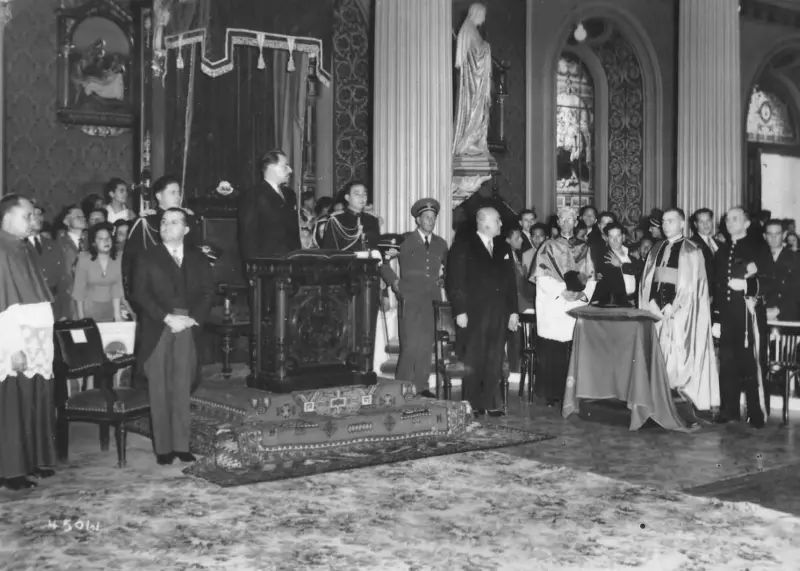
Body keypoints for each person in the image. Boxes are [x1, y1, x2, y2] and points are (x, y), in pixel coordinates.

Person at [131, 208, 214, 465]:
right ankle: (164, 449)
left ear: (186, 229)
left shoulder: (198, 258)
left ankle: (181, 446)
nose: (167, 226)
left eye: (174, 222)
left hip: (187, 326)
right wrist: (167, 318)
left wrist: (193, 319)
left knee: (182, 385)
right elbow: (139, 293)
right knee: (159, 387)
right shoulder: (147, 256)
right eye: (164, 222)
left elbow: (208, 292)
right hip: (159, 326)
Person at [0, 195, 57, 490]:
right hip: (17, 340)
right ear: (8, 217)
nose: (32, 220)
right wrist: (13, 348)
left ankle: (31, 461)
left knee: (33, 401)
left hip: (36, 340)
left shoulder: (23, 247)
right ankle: (12, 471)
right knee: (14, 404)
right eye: (26, 215)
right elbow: (5, 307)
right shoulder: (1, 250)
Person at [639, 208, 718, 412]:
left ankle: (679, 402)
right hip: (656, 311)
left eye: (670, 221)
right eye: (664, 222)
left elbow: (693, 285)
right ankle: (658, 400)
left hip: (679, 314)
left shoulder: (691, 250)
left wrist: (673, 306)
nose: (665, 225)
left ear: (682, 224)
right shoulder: (656, 248)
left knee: (678, 357)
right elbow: (648, 279)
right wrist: (651, 302)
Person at [447, 207, 519, 416]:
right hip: (473, 313)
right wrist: (460, 311)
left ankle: (491, 402)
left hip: (499, 313)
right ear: (484, 222)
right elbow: (455, 281)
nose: (501, 224)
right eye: (497, 220)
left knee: (495, 357)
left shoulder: (503, 247)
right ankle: (473, 403)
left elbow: (510, 282)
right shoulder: (463, 245)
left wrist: (513, 312)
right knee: (474, 358)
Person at [713, 206, 772, 428]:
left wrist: (747, 285)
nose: (729, 223)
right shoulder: (721, 251)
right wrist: (717, 318)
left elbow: (769, 280)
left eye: (735, 219)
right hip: (728, 317)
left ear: (746, 223)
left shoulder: (758, 247)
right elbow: (717, 287)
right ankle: (729, 410)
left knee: (751, 365)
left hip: (750, 315)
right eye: (727, 219)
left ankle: (756, 412)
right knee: (728, 363)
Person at [382, 199, 448, 397]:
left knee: (426, 345)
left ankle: (422, 387)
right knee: (410, 345)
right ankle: (401, 388)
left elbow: (451, 267)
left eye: (433, 218)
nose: (431, 221)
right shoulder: (404, 240)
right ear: (418, 220)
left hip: (432, 301)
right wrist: (395, 283)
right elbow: (383, 262)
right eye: (427, 217)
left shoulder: (441, 243)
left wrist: (443, 279)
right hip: (410, 299)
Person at [533, 206, 596, 406]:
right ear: (558, 222)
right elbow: (542, 278)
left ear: (576, 222)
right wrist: (562, 291)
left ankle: (573, 393)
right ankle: (552, 394)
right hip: (555, 303)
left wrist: (581, 295)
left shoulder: (584, 248)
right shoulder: (548, 246)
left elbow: (591, 278)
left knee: (573, 350)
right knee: (553, 351)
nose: (567, 223)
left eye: (570, 219)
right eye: (563, 219)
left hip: (575, 303)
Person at [122, 174, 198, 298]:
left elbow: (197, 254)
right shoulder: (146, 221)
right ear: (159, 196)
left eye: (179, 193)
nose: (178, 197)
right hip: (153, 290)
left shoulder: (188, 219)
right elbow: (130, 261)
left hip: (186, 289)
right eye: (172, 193)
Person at [238, 150, 301, 259]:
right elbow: (248, 237)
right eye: (285, 166)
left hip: (291, 261)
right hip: (267, 263)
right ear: (271, 167)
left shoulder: (290, 194)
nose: (290, 170)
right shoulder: (253, 195)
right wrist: (253, 266)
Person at [453, 2, 492, 157]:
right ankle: (468, 142)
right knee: (473, 111)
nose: (484, 19)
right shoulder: (468, 29)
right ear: (477, 13)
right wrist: (486, 48)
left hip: (477, 83)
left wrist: (484, 47)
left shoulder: (471, 30)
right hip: (472, 83)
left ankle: (473, 142)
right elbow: (473, 57)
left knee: (479, 112)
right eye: (483, 15)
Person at [26, 203, 72, 321]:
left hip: (54, 306)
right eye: (33, 214)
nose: (38, 218)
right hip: (29, 308)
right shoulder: (18, 247)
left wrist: (64, 311)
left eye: (40, 214)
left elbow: (63, 279)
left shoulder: (53, 244)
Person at [72, 222, 124, 322]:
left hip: (109, 308)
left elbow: (117, 289)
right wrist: (81, 319)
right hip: (87, 309)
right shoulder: (84, 259)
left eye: (108, 238)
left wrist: (117, 316)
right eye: (101, 239)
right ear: (94, 243)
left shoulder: (118, 259)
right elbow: (79, 291)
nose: (106, 241)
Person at [322, 182, 382, 251]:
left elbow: (377, 246)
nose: (362, 197)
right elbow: (329, 250)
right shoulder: (336, 221)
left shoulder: (372, 219)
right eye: (357, 194)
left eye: (364, 194)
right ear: (347, 198)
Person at [592, 222, 638, 306]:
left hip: (633, 301)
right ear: (607, 238)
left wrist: (621, 265)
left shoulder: (631, 254)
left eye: (618, 236)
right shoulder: (605, 256)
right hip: (614, 304)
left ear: (623, 237)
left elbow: (638, 271)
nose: (615, 240)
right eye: (611, 237)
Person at [763, 219, 800, 321]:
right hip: (763, 316)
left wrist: (779, 310)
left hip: (788, 317)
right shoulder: (759, 260)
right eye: (770, 234)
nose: (773, 238)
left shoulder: (796, 259)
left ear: (784, 235)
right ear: (764, 236)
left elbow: (796, 292)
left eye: (777, 234)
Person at [690, 207, 719, 289]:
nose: (705, 224)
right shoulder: (691, 245)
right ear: (695, 224)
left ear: (712, 221)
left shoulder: (719, 244)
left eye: (708, 220)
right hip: (703, 292)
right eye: (701, 222)